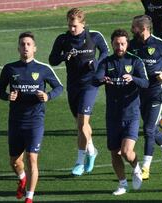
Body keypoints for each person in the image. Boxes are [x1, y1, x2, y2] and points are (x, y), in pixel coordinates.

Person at [0, 31, 63, 203]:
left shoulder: (43, 69)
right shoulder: (10, 68)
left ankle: (29, 197)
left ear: (35, 48)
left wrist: (48, 96)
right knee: (14, 162)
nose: (25, 47)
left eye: (28, 44)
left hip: (35, 121)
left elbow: (59, 87)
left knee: (32, 158)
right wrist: (6, 96)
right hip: (16, 121)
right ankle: (22, 177)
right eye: (22, 44)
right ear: (18, 48)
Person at [49, 8, 109, 176]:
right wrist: (63, 56)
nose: (72, 29)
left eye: (75, 26)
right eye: (69, 25)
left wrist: (96, 65)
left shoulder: (94, 36)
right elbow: (52, 59)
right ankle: (92, 150)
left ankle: (79, 162)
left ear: (83, 24)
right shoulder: (63, 39)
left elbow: (105, 51)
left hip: (90, 84)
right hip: (73, 85)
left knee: (82, 124)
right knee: (81, 125)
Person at [94, 29, 149, 195]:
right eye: (117, 44)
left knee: (126, 151)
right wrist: (102, 79)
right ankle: (122, 184)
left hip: (131, 114)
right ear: (112, 44)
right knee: (114, 152)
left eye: (123, 43)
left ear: (127, 44)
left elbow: (145, 83)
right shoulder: (106, 62)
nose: (120, 47)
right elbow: (94, 79)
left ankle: (137, 167)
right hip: (112, 115)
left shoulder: (135, 61)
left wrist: (133, 78)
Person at [128, 14, 162, 180]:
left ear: (143, 29)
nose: (131, 29)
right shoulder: (131, 45)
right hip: (138, 93)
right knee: (152, 128)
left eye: (134, 27)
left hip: (155, 93)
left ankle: (146, 168)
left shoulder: (161, 45)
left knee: (148, 129)